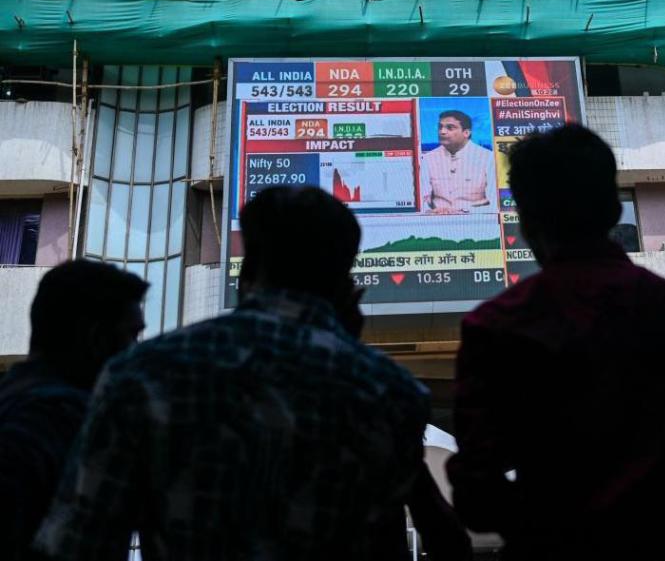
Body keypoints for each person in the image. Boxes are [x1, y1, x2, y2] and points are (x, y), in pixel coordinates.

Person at [34, 186, 431, 561]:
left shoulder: (143, 374)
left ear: (248, 270)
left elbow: (79, 542)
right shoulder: (393, 393)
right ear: (345, 279)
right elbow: (389, 543)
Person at [446, 124, 665, 561]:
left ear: (526, 218)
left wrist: (547, 529)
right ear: (616, 209)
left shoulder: (496, 328)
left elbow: (476, 493)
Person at [0, 260, 147, 561]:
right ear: (95, 339)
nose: (137, 353)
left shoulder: (13, 399)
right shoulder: (65, 423)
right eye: (131, 336)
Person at [421, 110, 496, 214]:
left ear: (466, 133)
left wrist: (464, 211)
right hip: (436, 221)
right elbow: (422, 201)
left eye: (450, 128)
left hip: (478, 220)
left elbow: (496, 204)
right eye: (440, 127)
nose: (442, 132)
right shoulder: (427, 159)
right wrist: (431, 211)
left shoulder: (488, 158)